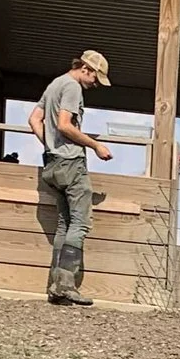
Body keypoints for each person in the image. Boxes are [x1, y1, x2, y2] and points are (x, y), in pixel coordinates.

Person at [31, 50, 114, 306]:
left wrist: (50, 146)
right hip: (71, 164)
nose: (95, 84)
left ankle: (56, 287)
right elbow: (66, 125)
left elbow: (34, 119)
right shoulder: (72, 87)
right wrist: (95, 146)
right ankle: (66, 286)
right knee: (80, 223)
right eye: (95, 78)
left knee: (64, 224)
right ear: (85, 69)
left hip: (52, 163)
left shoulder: (55, 84)